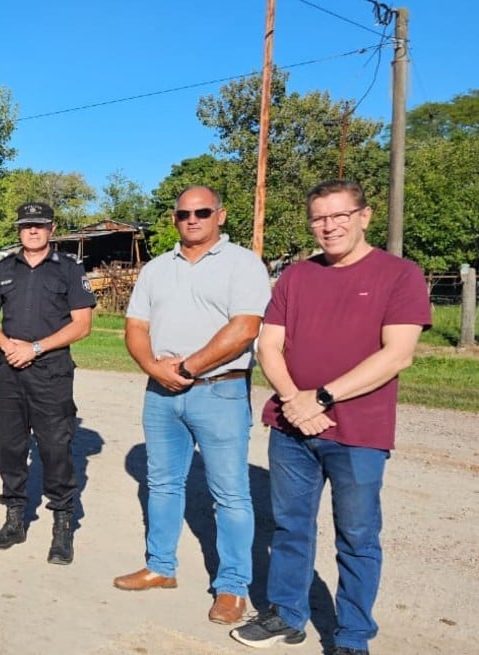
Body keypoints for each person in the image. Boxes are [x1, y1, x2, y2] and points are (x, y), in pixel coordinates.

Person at [230, 180, 431, 655]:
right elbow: (269, 345)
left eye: (340, 215)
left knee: (358, 536)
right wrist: (294, 401)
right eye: (319, 217)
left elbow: (397, 355)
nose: (329, 226)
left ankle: (352, 636)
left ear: (365, 215)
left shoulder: (400, 275)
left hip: (359, 431)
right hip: (291, 428)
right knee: (290, 525)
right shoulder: (297, 277)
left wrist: (320, 398)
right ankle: (286, 613)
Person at [112, 186, 271, 625]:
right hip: (161, 391)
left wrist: (187, 366)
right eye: (184, 214)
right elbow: (136, 326)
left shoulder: (243, 263)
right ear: (173, 218)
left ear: (220, 215)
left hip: (219, 389)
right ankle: (161, 566)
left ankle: (233, 587)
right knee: (162, 483)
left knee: (230, 493)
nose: (193, 219)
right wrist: (152, 366)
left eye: (202, 212)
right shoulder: (157, 269)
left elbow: (244, 329)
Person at [0, 201, 96, 563]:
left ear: (52, 229)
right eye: (26, 225)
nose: (32, 230)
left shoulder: (69, 270)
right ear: (19, 230)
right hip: (10, 372)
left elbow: (82, 324)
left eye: (39, 225)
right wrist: (7, 345)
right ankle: (14, 520)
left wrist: (36, 348)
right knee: (10, 448)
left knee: (55, 449)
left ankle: (63, 528)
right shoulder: (5, 268)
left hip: (51, 372)